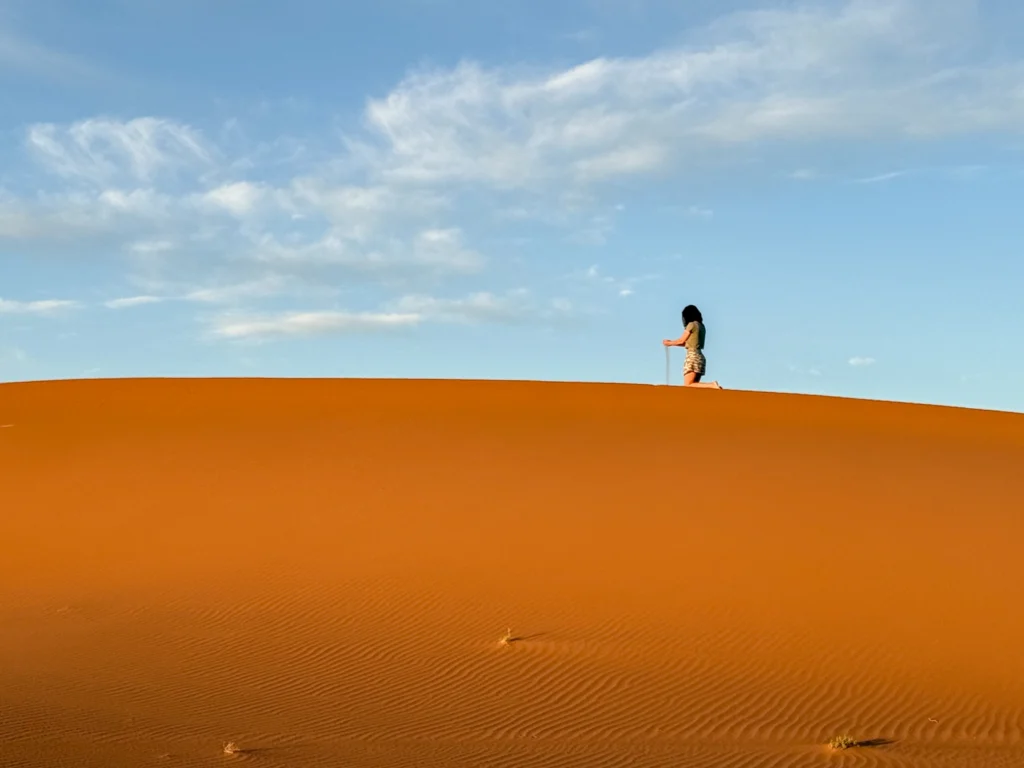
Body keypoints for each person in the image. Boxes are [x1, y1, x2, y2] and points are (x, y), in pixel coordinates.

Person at [663, 304, 722, 388]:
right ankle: (713, 387)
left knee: (688, 385)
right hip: (700, 357)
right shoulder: (701, 326)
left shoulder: (691, 325)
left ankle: (712, 385)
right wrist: (672, 343)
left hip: (692, 356)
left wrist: (669, 343)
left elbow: (681, 340)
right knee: (694, 386)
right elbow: (686, 343)